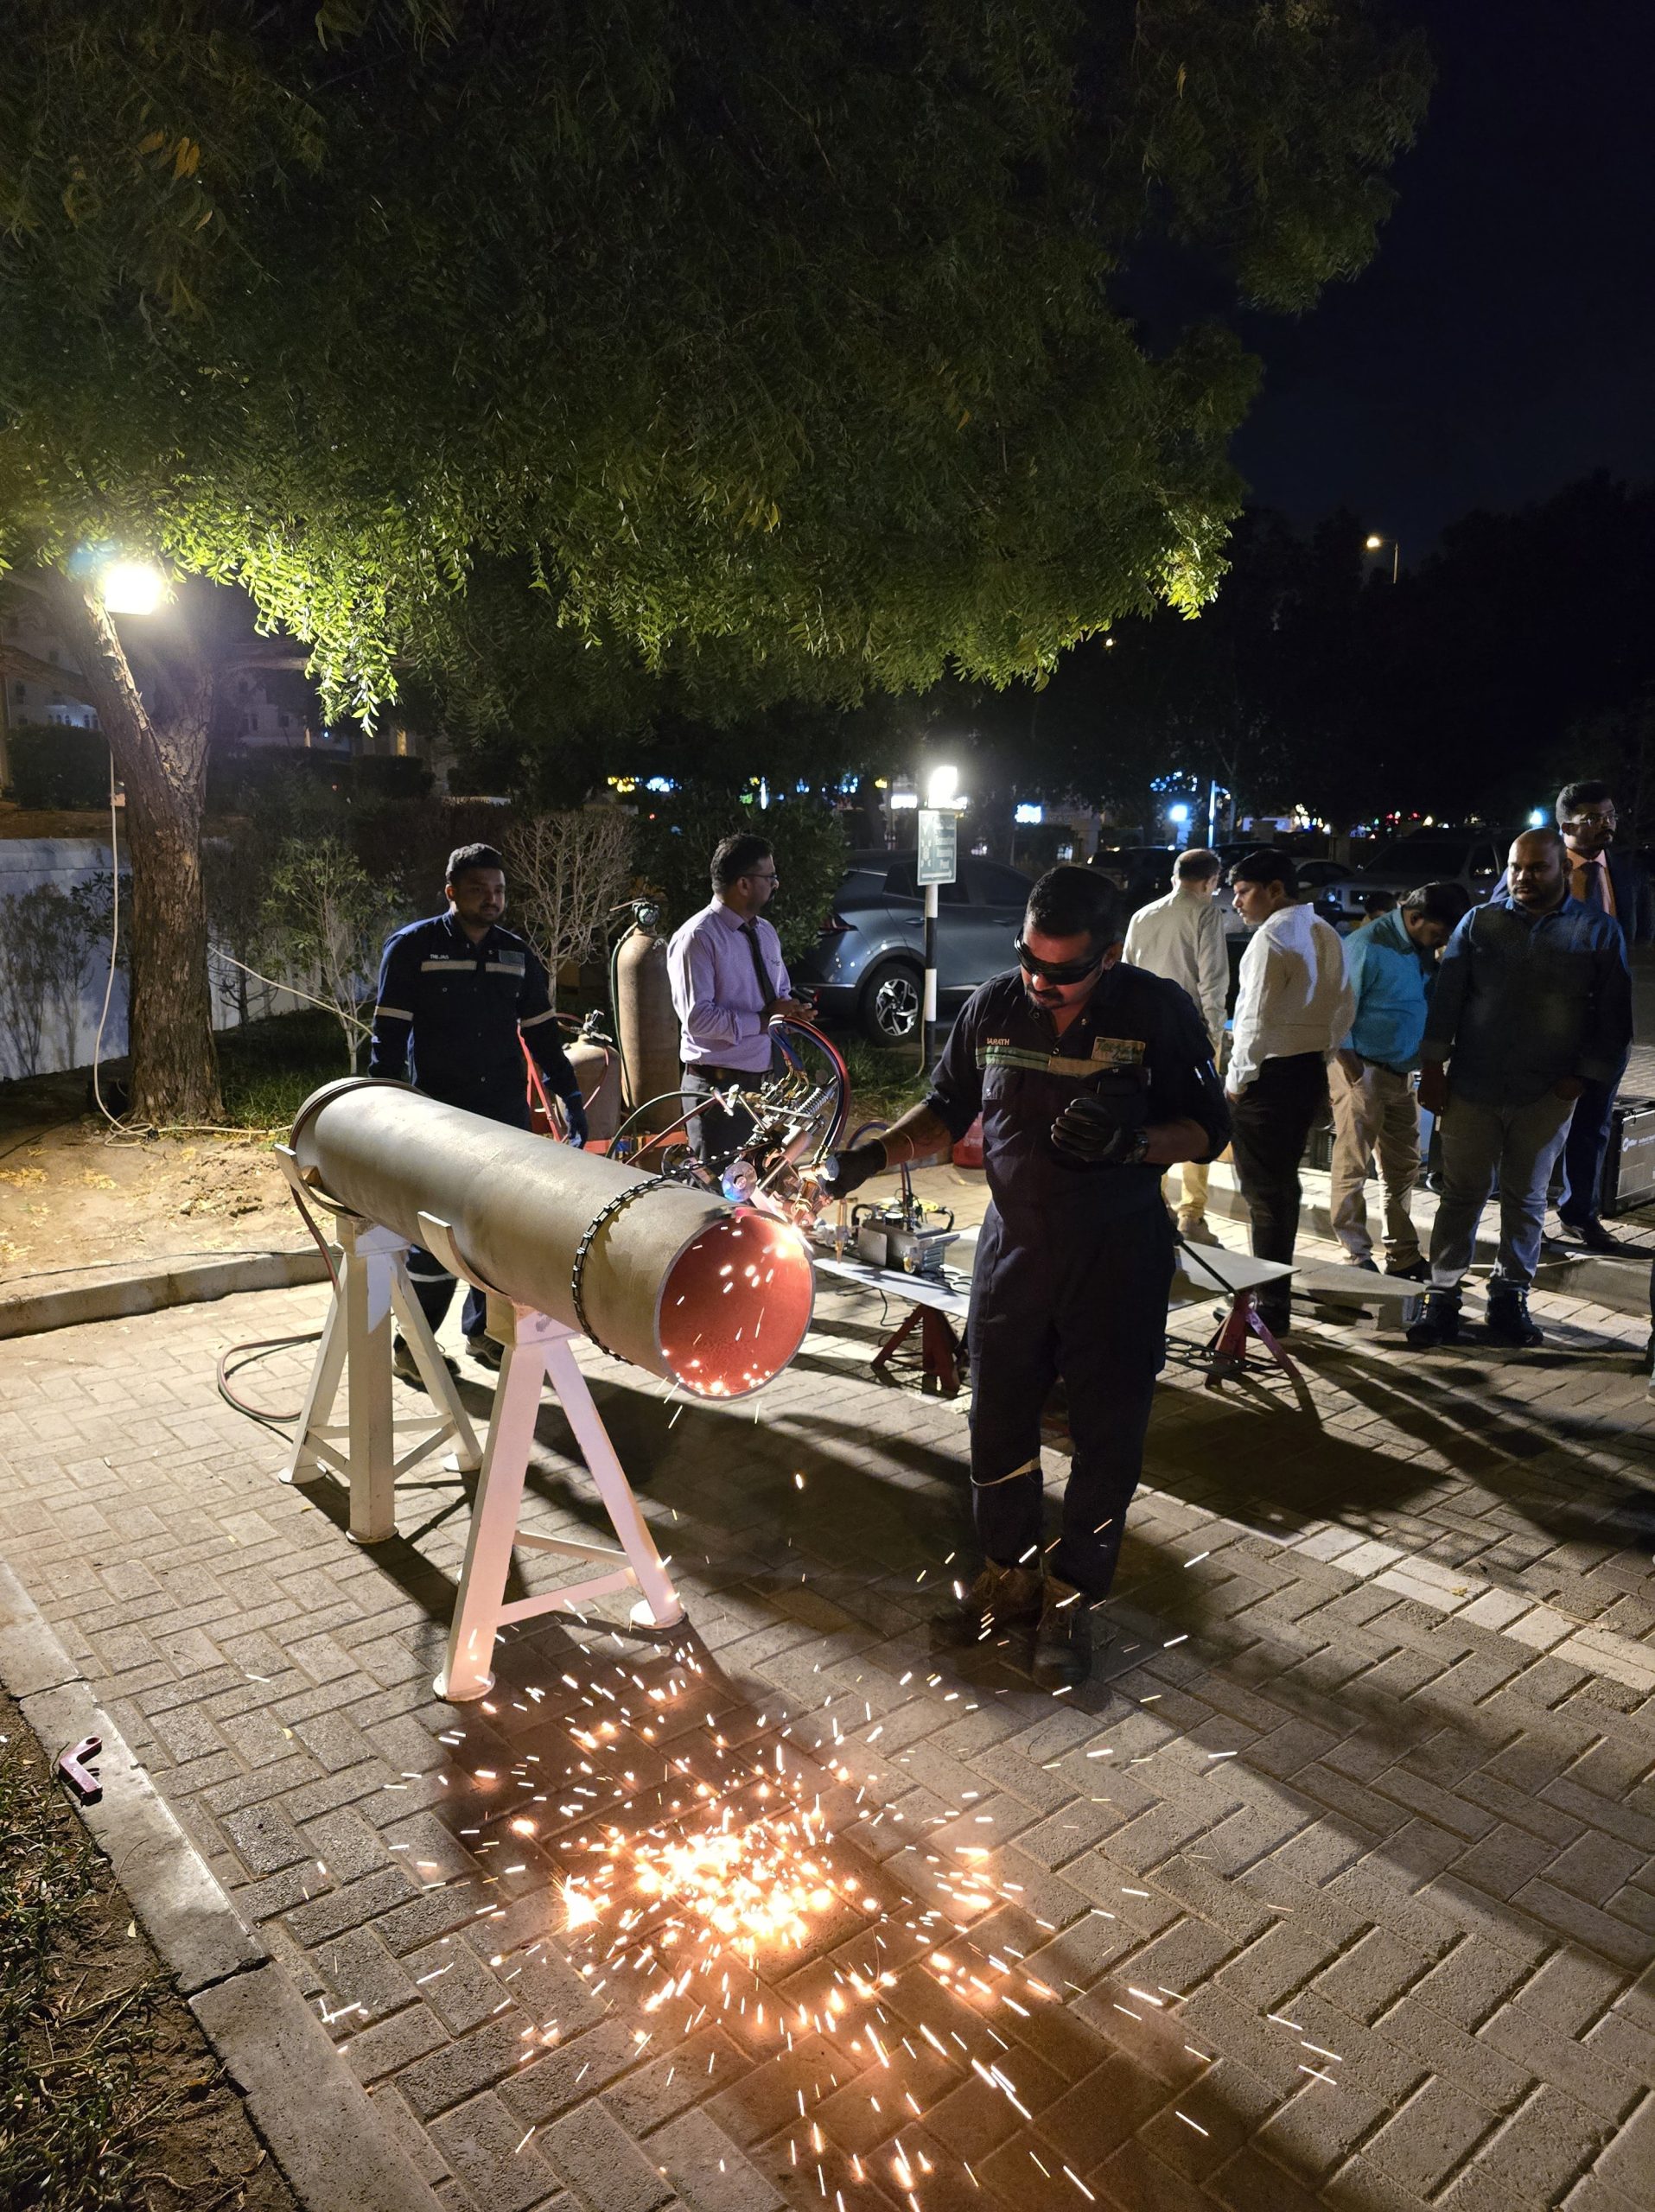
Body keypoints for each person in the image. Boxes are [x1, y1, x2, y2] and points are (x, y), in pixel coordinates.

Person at [817, 866, 1228, 1690]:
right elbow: (945, 1107)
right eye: (1030, 963)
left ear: (1107, 956)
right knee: (997, 1422)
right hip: (1014, 1253)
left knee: (1106, 1437)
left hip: (1116, 1257)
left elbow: (1209, 1130)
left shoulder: (1156, 1012)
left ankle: (1076, 1596)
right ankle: (1009, 1576)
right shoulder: (995, 1005)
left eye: (1064, 972)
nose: (1042, 985)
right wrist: (871, 1154)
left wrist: (1132, 1144)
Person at [369, 844, 588, 1377]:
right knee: (436, 1238)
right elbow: (388, 1039)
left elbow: (541, 1038)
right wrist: (379, 1109)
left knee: (496, 1232)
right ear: (451, 893)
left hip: (504, 1114)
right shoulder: (412, 948)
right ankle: (412, 1348)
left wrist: (569, 1097)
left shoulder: (515, 954)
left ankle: (483, 1332)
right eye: (477, 890)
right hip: (440, 1119)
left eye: (498, 890)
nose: (491, 900)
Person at [1408, 829, 1632, 1351]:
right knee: (1459, 1193)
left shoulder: (1596, 932)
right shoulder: (1480, 922)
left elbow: (1614, 1016)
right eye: (1516, 867)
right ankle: (1441, 1296)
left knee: (1526, 1197)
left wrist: (1582, 1076)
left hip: (1547, 1092)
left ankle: (1509, 1296)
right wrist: (1433, 1067)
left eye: (1537, 868)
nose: (1524, 878)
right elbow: (1449, 998)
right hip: (1472, 1086)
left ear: (1563, 871)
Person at [1225, 849, 1355, 1336]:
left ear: (1274, 889)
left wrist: (1237, 1082)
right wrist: (1322, 1055)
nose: (1236, 902)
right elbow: (1345, 1005)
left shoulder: (1270, 939)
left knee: (1265, 1195)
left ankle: (1269, 1304)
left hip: (1268, 1077)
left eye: (1243, 892)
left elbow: (1252, 1022)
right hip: (1305, 1073)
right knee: (1282, 1189)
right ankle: (1273, 1298)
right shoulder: (1325, 932)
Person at [1329, 880, 1471, 1280]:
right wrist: (1353, 1068)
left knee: (1401, 1167)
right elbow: (1338, 1010)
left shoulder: (1423, 950)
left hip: (1400, 1072)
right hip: (1363, 1070)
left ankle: (1402, 1253)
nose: (1439, 940)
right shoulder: (1367, 945)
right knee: (1353, 1164)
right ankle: (1355, 1254)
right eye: (1437, 932)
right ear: (1414, 917)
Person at [1536, 783, 1650, 1249]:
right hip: (1546, 1026)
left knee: (1594, 1123)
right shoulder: (1536, 870)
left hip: (1607, 1028)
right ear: (1566, 826)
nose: (1606, 824)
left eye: (1610, 815)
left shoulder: (1627, 873)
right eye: (1592, 818)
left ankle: (1580, 1213)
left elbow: (1638, 938)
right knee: (1537, 1124)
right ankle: (1522, 1212)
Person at [666, 833, 812, 1173]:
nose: (776, 885)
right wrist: (764, 1020)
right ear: (744, 884)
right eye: (770, 877)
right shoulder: (697, 938)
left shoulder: (765, 932)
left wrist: (792, 1013)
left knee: (762, 1187)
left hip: (766, 1087)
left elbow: (780, 994)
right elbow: (698, 1019)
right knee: (719, 1195)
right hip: (719, 1094)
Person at [1123, 849, 1229, 1242]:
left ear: (1174, 876)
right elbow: (1212, 982)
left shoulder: (1142, 916)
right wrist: (1214, 1039)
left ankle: (1156, 1205)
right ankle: (1192, 1214)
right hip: (1189, 1036)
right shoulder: (1204, 913)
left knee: (1154, 1116)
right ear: (1211, 880)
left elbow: (1128, 975)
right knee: (1200, 1119)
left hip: (1144, 1034)